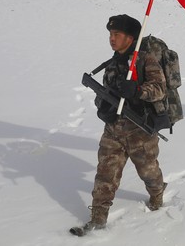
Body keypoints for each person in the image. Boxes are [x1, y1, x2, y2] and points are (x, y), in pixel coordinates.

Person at [75, 14, 167, 235]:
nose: (112, 38)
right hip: (113, 129)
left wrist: (137, 90)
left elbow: (159, 89)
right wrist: (103, 105)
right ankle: (98, 218)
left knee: (148, 171)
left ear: (130, 37)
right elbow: (106, 93)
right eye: (110, 34)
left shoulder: (145, 60)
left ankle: (157, 194)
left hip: (140, 131)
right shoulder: (112, 64)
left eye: (117, 34)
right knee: (105, 173)